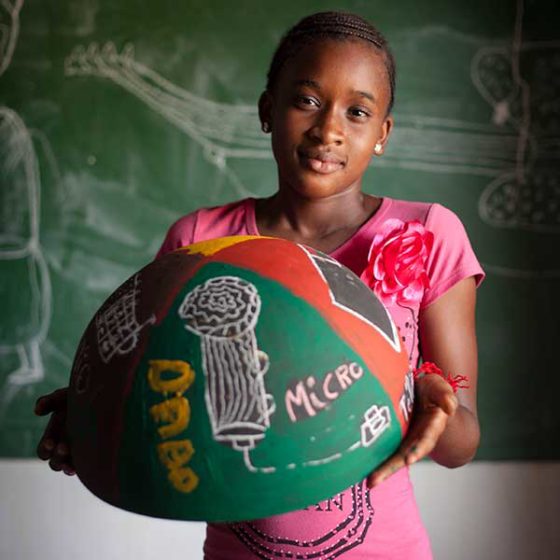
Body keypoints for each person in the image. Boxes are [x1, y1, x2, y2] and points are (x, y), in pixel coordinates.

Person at [35, 11, 484, 559]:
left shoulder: (429, 234)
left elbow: (461, 445)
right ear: (267, 109)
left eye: (358, 111)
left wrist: (427, 402)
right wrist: (99, 406)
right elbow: (164, 397)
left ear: (382, 133)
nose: (328, 130)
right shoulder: (200, 240)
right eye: (307, 101)